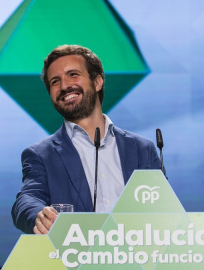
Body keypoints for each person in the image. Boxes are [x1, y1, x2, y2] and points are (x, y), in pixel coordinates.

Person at [11, 45, 162, 234]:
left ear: (97, 82)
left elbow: (163, 212)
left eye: (73, 74)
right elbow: (26, 200)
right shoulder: (40, 155)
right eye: (55, 82)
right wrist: (39, 215)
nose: (65, 86)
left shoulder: (142, 149)